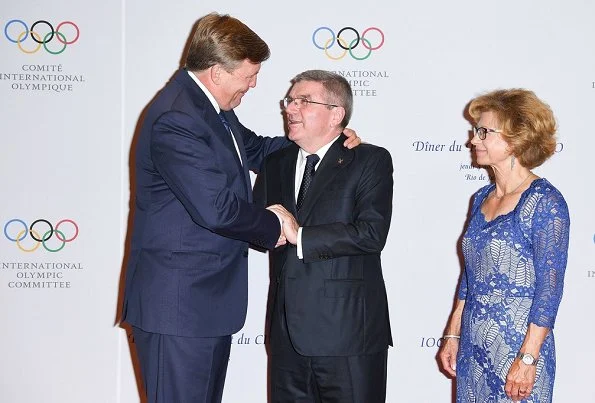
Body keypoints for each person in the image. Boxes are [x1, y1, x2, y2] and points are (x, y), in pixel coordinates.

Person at [121, 13, 360, 403]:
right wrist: (277, 223)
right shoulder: (177, 118)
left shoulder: (209, 110)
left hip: (203, 305)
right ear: (217, 72)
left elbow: (257, 150)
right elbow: (215, 208)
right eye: (249, 75)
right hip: (179, 307)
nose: (254, 84)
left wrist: (326, 137)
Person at [255, 70, 393, 403]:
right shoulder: (275, 162)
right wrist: (265, 230)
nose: (290, 108)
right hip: (287, 336)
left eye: (304, 101)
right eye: (290, 100)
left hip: (348, 336)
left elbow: (371, 234)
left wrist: (299, 236)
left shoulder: (369, 160)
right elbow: (258, 227)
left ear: (336, 114)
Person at [438, 89, 570, 402]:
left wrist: (528, 359)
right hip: (473, 346)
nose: (473, 140)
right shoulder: (480, 199)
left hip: (518, 346)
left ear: (516, 138)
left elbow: (549, 290)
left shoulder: (545, 202)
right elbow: (469, 277)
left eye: (484, 132)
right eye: (475, 131)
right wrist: (454, 333)